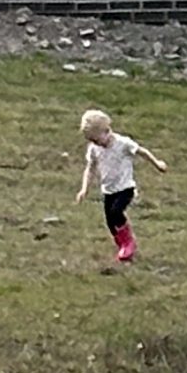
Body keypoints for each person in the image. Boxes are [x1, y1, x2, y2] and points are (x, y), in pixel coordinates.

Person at [76, 107, 166, 263]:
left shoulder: (123, 143)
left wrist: (157, 163)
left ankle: (128, 242)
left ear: (106, 131)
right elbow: (90, 168)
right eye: (92, 141)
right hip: (108, 190)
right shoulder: (94, 149)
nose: (95, 144)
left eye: (96, 140)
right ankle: (122, 245)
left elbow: (142, 151)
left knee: (116, 212)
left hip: (125, 187)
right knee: (110, 222)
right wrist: (84, 189)